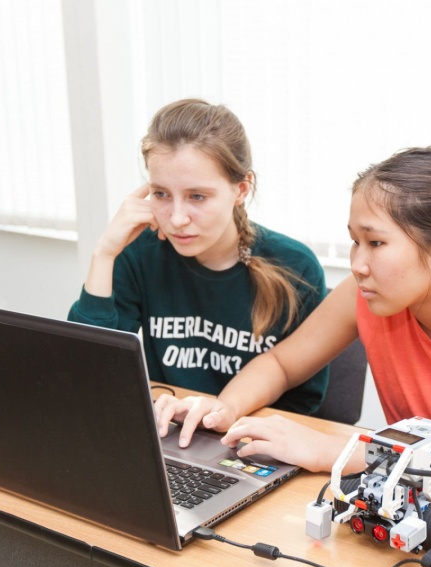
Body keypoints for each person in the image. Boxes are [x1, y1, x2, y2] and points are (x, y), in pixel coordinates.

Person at [154, 145, 431, 494]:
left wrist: (334, 450)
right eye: (354, 241)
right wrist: (225, 409)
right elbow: (282, 363)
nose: (357, 264)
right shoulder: (366, 293)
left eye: (376, 243)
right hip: (422, 494)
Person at [69, 98, 328, 415]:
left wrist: (222, 420)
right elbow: (86, 371)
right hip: (168, 426)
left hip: (250, 434)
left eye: (197, 196)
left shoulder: (295, 266)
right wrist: (104, 253)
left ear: (241, 190)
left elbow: (304, 401)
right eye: (161, 194)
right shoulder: (140, 253)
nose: (177, 218)